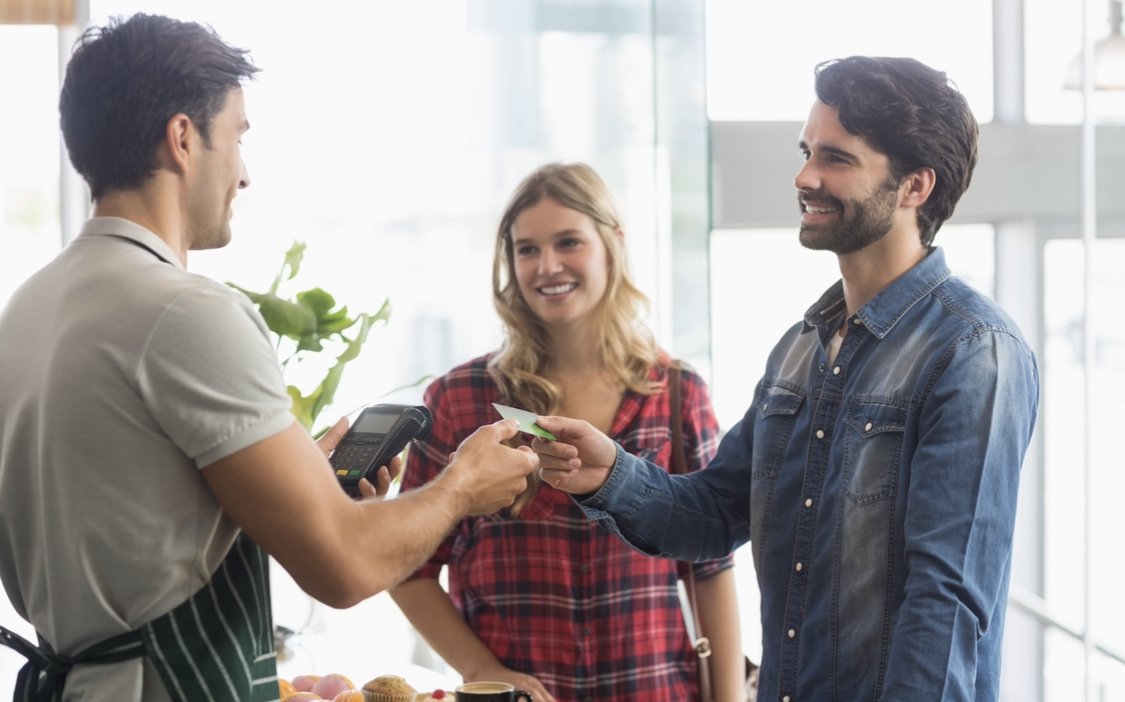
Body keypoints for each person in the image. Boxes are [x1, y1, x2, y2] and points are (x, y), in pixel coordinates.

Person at [0, 13, 538, 702]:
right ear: (183, 139)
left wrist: (298, 479)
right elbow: (343, 565)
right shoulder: (184, 312)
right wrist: (462, 485)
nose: (244, 174)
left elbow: (135, 535)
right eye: (238, 137)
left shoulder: (29, 308)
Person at [533, 57, 1040, 702]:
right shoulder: (801, 348)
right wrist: (607, 472)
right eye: (807, 151)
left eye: (837, 158)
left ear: (915, 186)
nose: (804, 176)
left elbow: (945, 605)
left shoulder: (974, 352)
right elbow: (714, 513)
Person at [389, 162, 744, 702]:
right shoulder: (459, 400)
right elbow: (407, 567)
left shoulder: (676, 394)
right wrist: (484, 672)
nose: (547, 265)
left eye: (568, 242)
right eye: (526, 249)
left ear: (612, 244)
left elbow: (712, 568)